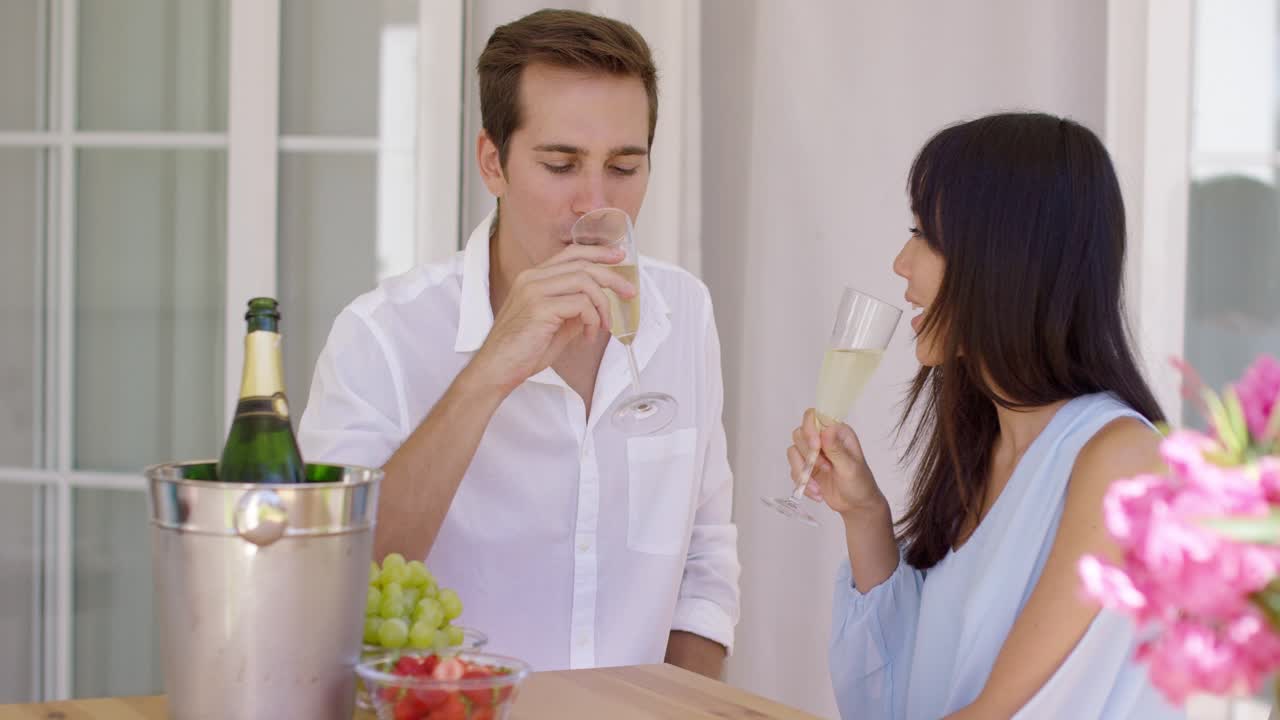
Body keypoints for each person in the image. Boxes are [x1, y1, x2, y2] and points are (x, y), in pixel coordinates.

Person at [298, 9, 739, 677]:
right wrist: (490, 371)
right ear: (492, 163)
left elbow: (705, 564)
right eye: (561, 164)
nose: (595, 201)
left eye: (624, 165)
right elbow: (330, 581)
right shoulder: (381, 337)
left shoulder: (684, 311)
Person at [787, 112, 1183, 718]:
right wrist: (864, 512)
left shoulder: (1123, 460)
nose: (901, 262)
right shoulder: (986, 448)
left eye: (925, 234)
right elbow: (902, 693)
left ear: (1007, 259)